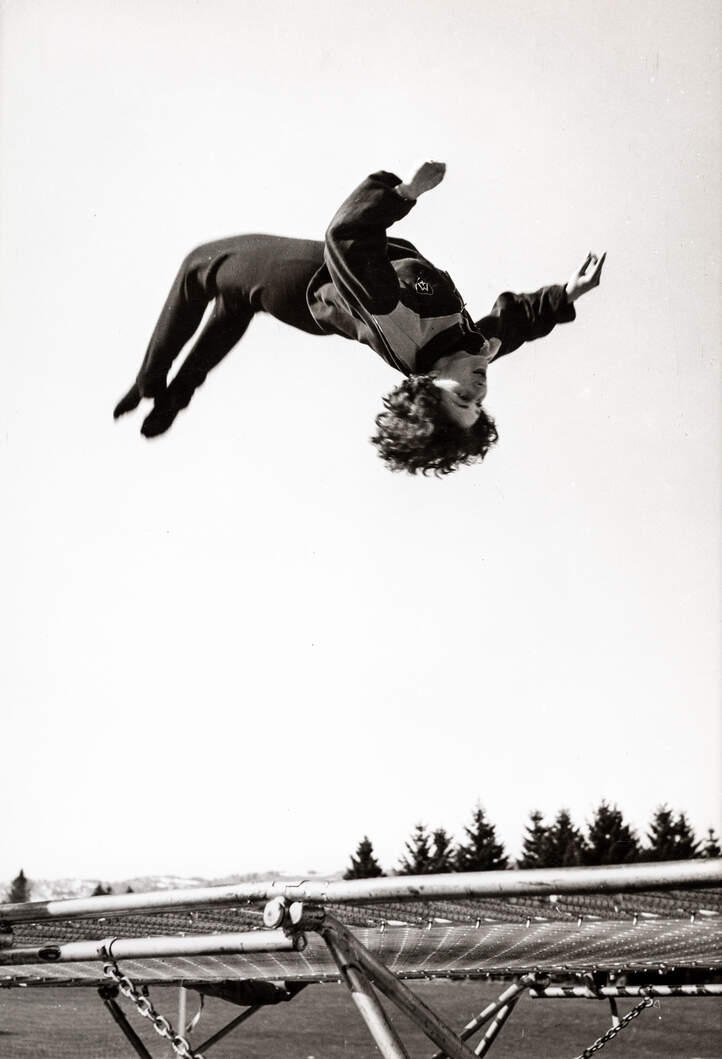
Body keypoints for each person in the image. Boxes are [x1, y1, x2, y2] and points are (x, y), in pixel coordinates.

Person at [114, 162, 605, 474]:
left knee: (200, 269)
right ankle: (171, 399)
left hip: (303, 282)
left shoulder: (396, 316)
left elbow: (345, 235)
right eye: (478, 405)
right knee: (233, 306)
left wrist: (406, 192)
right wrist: (567, 294)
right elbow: (513, 325)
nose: (478, 393)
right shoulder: (471, 348)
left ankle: (148, 383)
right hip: (328, 303)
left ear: (428, 383)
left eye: (462, 399)